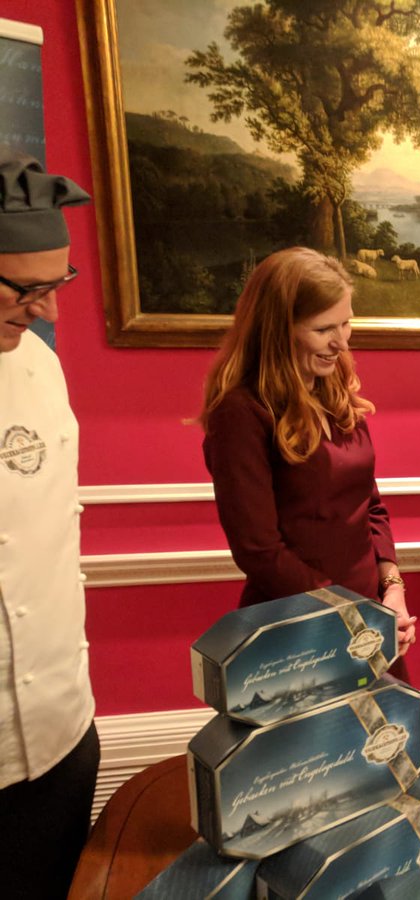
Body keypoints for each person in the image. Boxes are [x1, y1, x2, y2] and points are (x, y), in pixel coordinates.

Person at [199, 247, 415, 675]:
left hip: (366, 615)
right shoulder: (241, 412)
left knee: (384, 736)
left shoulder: (332, 387)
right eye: (323, 329)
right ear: (279, 330)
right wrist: (353, 617)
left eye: (347, 322)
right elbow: (260, 551)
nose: (342, 341)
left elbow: (369, 503)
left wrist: (392, 587)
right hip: (298, 625)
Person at [0, 150, 99, 899]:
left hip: (62, 727)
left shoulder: (37, 363)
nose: (49, 311)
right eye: (27, 289)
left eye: (58, 284)